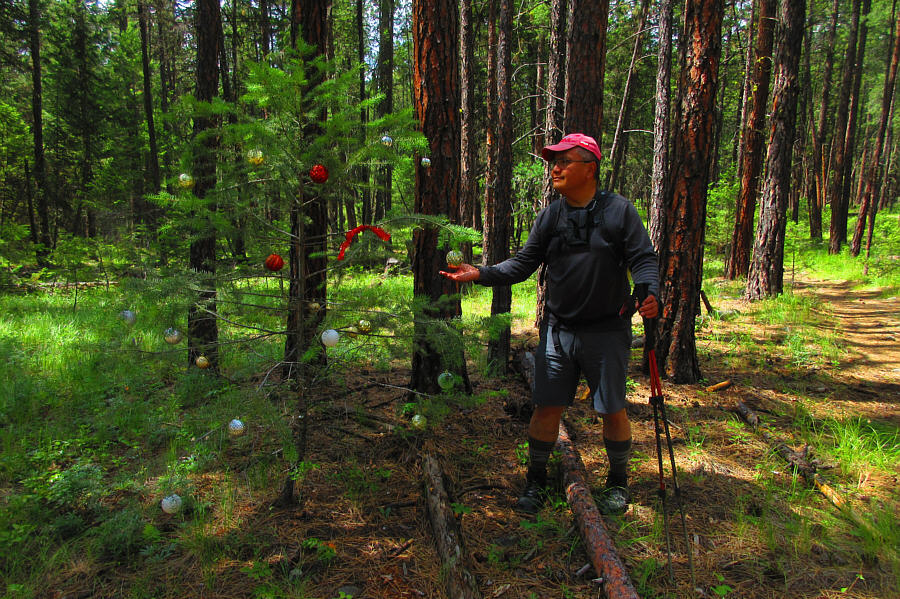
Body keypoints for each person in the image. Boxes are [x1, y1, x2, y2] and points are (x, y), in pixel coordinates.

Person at [440, 133, 659, 514]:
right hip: (559, 332)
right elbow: (523, 264)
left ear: (590, 169)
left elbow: (643, 258)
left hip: (608, 331)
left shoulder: (619, 211)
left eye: (564, 161)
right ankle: (536, 480)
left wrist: (648, 291)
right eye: (553, 162)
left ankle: (618, 482)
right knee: (546, 408)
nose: (555, 169)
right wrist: (481, 273)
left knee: (612, 409)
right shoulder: (550, 216)